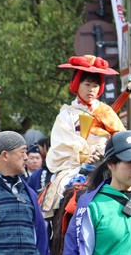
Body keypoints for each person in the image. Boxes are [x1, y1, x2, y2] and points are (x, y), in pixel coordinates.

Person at [40, 55, 124, 218]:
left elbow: (120, 137)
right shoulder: (66, 114)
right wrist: (85, 156)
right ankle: (52, 229)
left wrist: (106, 152)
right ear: (77, 84)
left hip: (107, 162)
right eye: (87, 84)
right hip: (75, 165)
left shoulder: (106, 111)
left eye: (95, 85)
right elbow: (62, 143)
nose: (91, 89)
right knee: (60, 189)